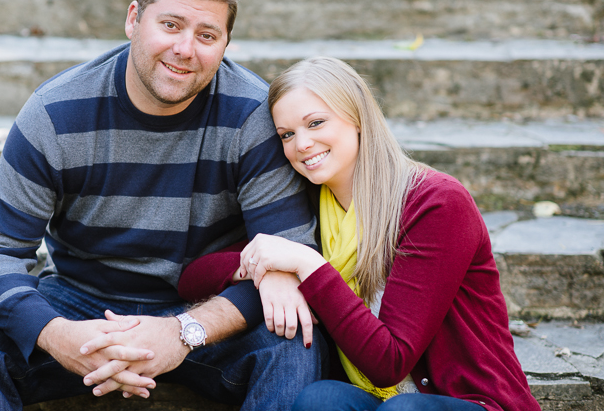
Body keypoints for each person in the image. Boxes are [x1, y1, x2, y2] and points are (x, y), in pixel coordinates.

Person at [0, 0, 327, 411]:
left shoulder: (254, 117)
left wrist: (185, 331)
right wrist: (57, 334)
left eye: (207, 35)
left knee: (297, 346)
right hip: (78, 302)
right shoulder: (55, 113)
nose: (185, 49)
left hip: (204, 312)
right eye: (170, 25)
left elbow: (291, 256)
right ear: (134, 19)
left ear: (226, 44)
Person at [178, 57, 541, 410]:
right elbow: (192, 279)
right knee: (319, 399)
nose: (301, 144)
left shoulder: (436, 203)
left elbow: (390, 362)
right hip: (378, 399)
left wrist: (306, 263)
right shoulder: (309, 208)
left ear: (357, 119)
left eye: (316, 123)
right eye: (286, 134)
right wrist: (265, 267)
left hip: (471, 399)